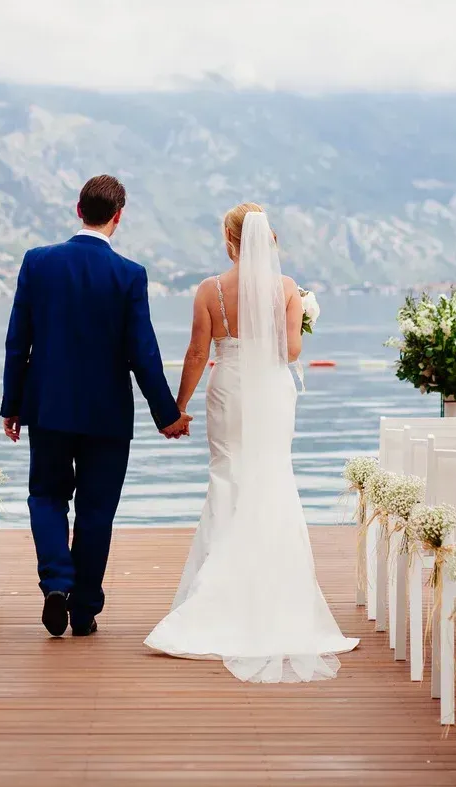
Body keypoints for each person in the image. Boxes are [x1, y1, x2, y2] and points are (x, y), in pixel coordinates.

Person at [144, 205, 357, 682]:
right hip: (271, 392)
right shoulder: (286, 290)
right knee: (273, 479)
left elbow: (198, 352)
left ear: (229, 238)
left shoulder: (209, 290)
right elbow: (293, 351)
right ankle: (274, 596)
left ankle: (214, 596)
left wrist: (177, 408)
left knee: (227, 479)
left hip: (229, 389)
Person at [0, 174, 192, 638]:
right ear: (118, 217)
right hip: (107, 414)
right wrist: (167, 415)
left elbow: (17, 341)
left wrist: (13, 404)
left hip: (46, 407)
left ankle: (57, 586)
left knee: (46, 496)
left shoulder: (37, 262)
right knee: (96, 510)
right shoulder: (129, 274)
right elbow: (142, 352)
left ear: (77, 209)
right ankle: (83, 609)